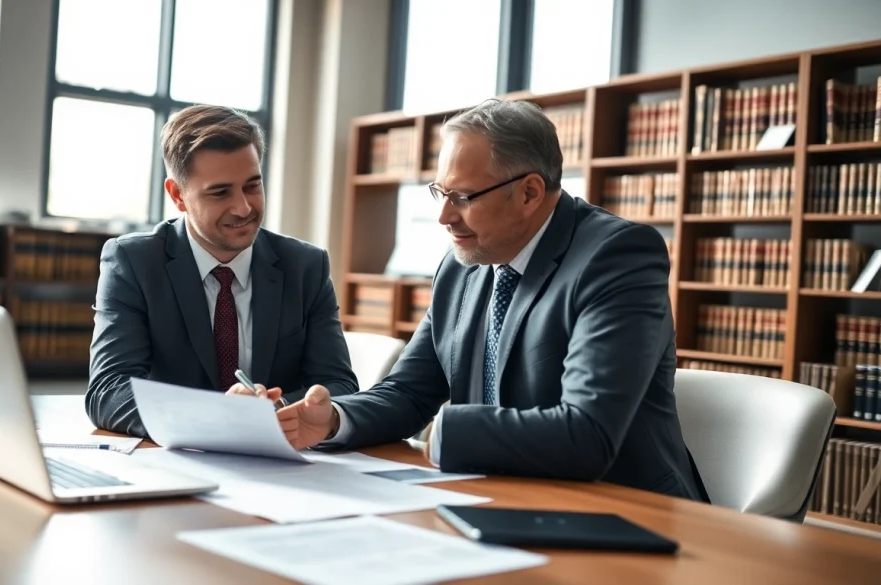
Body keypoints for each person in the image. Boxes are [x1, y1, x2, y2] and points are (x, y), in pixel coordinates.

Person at [275, 98, 709, 502]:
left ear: (529, 193)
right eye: (440, 192)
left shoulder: (616, 257)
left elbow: (587, 434)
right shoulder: (464, 262)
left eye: (463, 197)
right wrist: (333, 420)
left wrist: (450, 429)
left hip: (620, 509)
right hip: (499, 493)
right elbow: (409, 392)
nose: (444, 216)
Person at [87, 104, 359, 438]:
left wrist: (269, 411)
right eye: (220, 192)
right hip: (175, 462)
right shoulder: (133, 263)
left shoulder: (305, 267)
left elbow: (340, 384)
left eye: (252, 186)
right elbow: (108, 391)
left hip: (278, 463)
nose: (244, 208)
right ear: (178, 196)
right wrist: (219, 416)